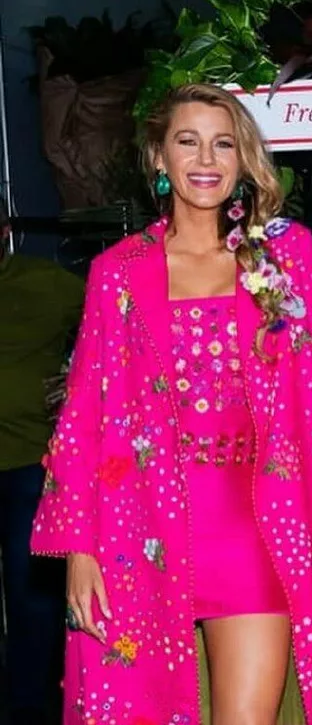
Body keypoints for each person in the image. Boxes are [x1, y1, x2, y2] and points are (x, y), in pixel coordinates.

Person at [30, 83, 312, 725]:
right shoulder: (117, 272)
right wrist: (80, 548)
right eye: (188, 141)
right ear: (159, 157)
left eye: (224, 144)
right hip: (139, 531)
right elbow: (83, 417)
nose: (205, 159)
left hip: (254, 530)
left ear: (242, 161)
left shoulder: (281, 254)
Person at [0, 199, 82, 724]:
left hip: (30, 464)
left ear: (5, 232)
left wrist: (76, 381)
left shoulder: (48, 284)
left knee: (31, 595)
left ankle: (28, 708)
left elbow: (115, 323)